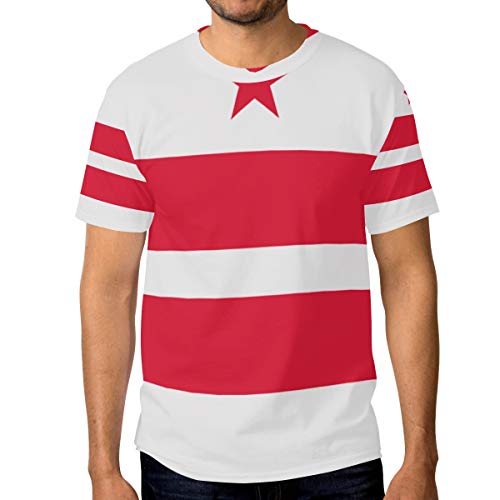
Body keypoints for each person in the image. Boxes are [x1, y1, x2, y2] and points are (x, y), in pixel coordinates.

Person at [77, 1, 440, 498]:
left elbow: (408, 275)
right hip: (183, 464)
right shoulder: (135, 96)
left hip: (337, 458)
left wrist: (421, 457)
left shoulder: (371, 88)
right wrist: (102, 468)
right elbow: (107, 287)